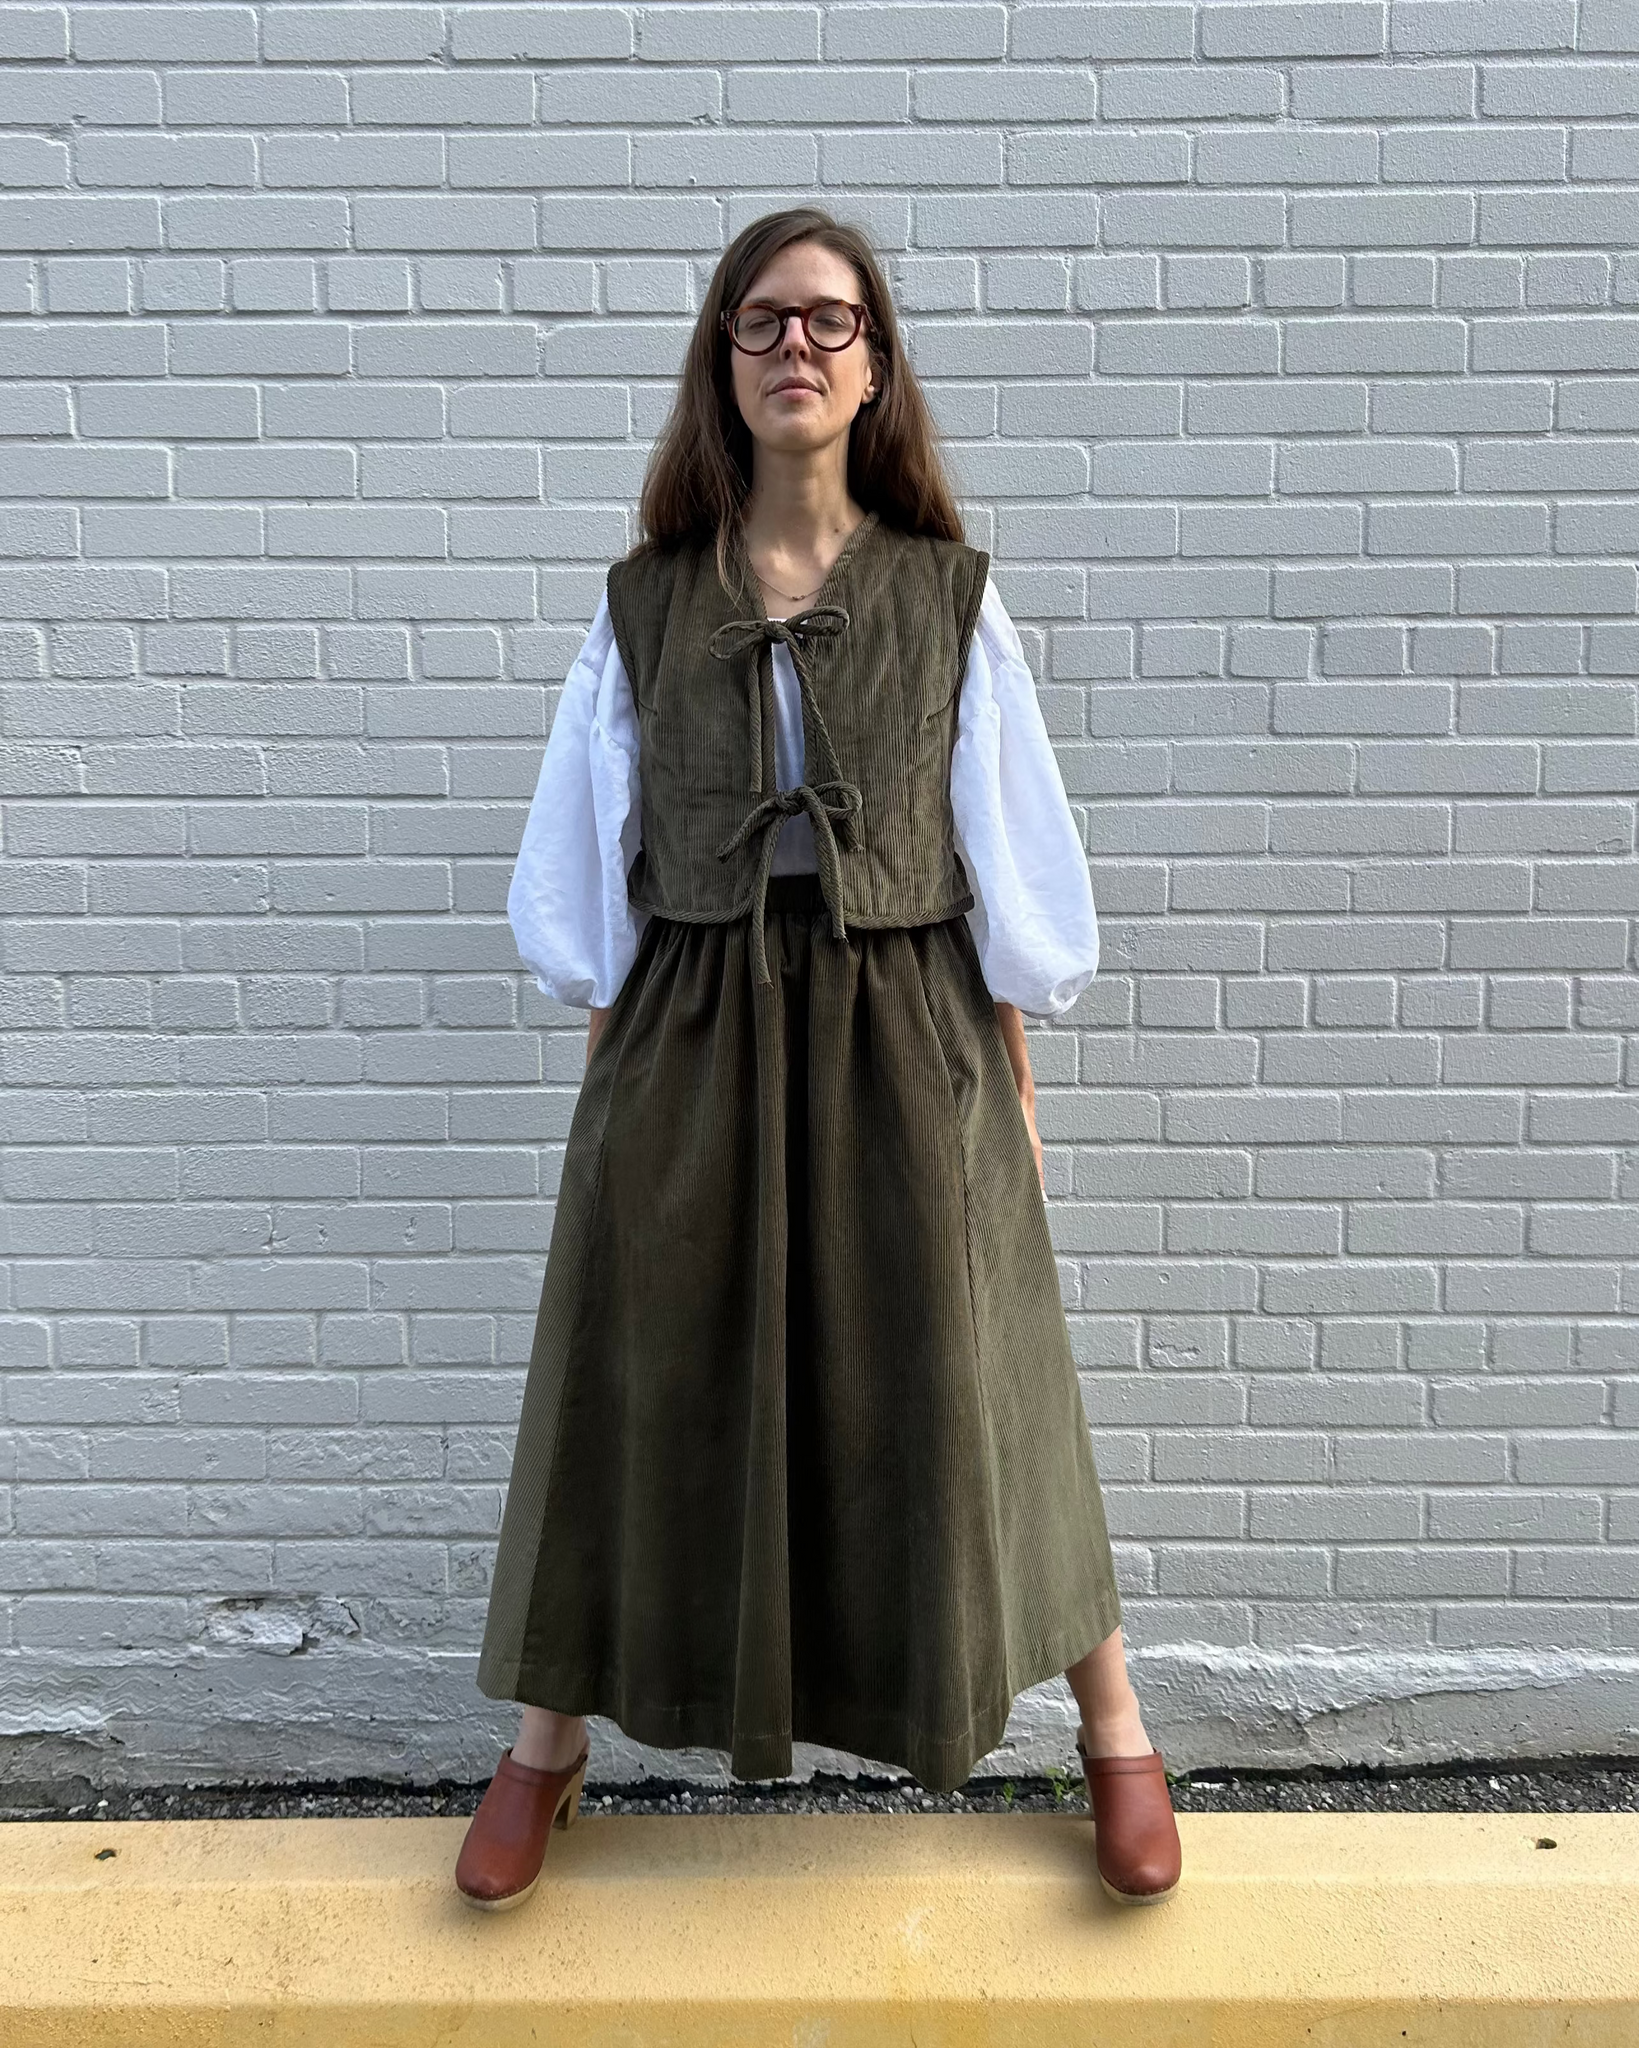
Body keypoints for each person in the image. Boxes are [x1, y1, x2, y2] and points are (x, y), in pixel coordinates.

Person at [454, 206, 1182, 1914]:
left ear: (874, 371)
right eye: (764, 320)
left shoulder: (944, 597)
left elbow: (1002, 842)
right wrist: (611, 1063)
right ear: (721, 360)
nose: (798, 346)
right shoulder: (644, 605)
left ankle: (1116, 1729)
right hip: (693, 1022)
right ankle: (544, 1746)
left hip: (906, 1014)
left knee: (981, 1371)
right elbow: (589, 856)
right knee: (636, 1370)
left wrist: (1012, 1062)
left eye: (831, 321)